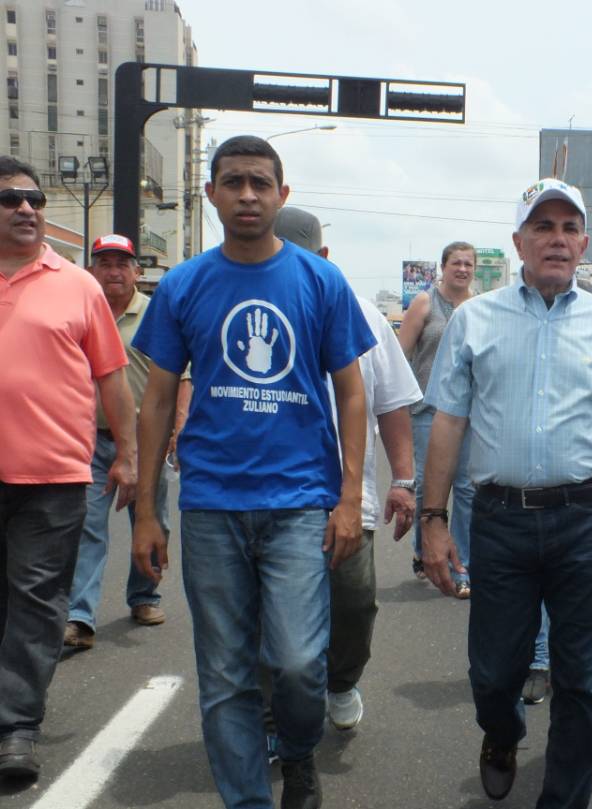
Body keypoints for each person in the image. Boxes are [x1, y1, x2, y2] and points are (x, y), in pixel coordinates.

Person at [130, 135, 374, 809]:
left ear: (281, 195)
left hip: (299, 502)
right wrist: (148, 512)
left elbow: (352, 392)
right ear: (209, 193)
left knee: (297, 663)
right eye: (232, 182)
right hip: (210, 502)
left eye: (260, 183)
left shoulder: (320, 281)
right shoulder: (183, 284)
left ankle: (297, 751)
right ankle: (248, 800)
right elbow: (155, 401)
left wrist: (349, 496)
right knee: (226, 674)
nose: (246, 194)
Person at [421, 178, 592, 808]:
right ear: (519, 241)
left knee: (582, 682)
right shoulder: (475, 319)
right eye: (542, 227)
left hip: (583, 521)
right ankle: (501, 733)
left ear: (584, 243)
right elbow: (448, 422)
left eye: (567, 229)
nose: (555, 239)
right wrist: (434, 520)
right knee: (494, 673)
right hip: (500, 522)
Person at [0, 157, 136, 781]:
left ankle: (15, 728)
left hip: (54, 477)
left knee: (36, 602)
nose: (26, 208)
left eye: (33, 198)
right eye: (10, 200)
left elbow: (113, 378)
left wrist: (129, 456)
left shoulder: (78, 285)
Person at [272, 206, 420, 733]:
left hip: (346, 495)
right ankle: (276, 718)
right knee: (271, 616)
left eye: (303, 256)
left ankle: (341, 681)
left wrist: (403, 482)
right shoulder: (256, 304)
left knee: (353, 607)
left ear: (325, 258)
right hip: (272, 495)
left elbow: (392, 404)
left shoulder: (362, 313)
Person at [64, 234, 178, 650]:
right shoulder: (79, 312)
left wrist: (176, 428)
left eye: (122, 264)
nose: (113, 271)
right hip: (88, 440)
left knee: (150, 520)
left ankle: (144, 597)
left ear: (137, 271)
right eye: (105, 263)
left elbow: (181, 377)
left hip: (147, 441)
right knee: (87, 527)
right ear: (92, 269)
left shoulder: (155, 314)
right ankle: (79, 615)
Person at [397, 241, 477, 598]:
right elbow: (401, 355)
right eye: (456, 263)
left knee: (466, 487)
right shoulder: (425, 303)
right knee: (430, 485)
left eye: (468, 264)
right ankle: (424, 549)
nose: (462, 269)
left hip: (468, 411)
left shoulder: (479, 307)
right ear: (443, 267)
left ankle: (460, 564)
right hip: (428, 409)